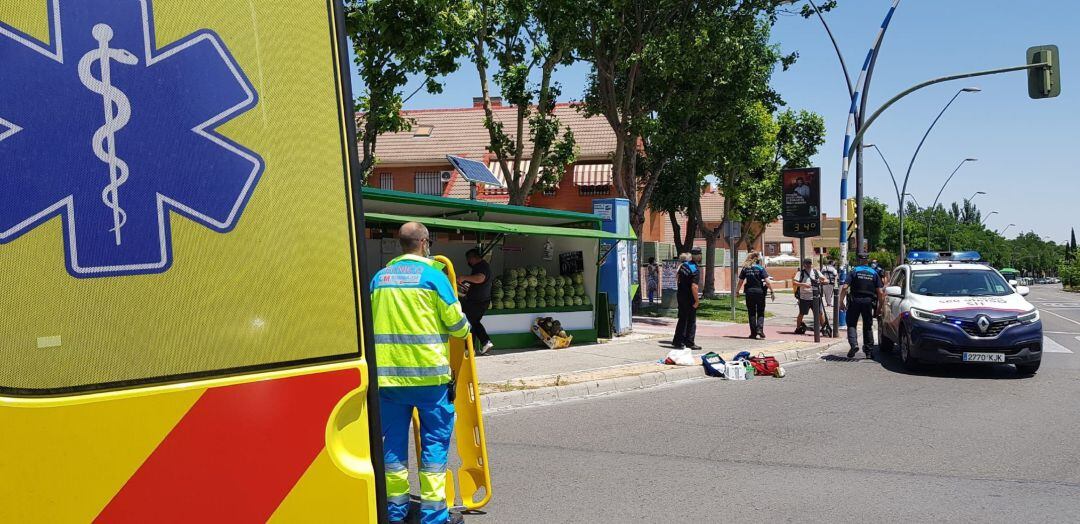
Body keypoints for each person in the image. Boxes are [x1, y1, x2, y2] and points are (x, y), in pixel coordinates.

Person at [371, 222, 471, 524]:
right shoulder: (433, 276)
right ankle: (433, 516)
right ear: (425, 243)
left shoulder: (379, 279)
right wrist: (465, 325)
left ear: (400, 244)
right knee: (434, 449)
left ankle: (395, 512)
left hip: (388, 380)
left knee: (393, 451)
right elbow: (456, 325)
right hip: (429, 380)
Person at [839, 252, 886, 359]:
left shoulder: (854, 271)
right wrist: (879, 308)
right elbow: (880, 292)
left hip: (855, 300)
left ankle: (854, 344)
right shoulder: (873, 273)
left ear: (858, 260)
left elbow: (845, 287)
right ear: (867, 260)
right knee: (867, 326)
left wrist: (841, 302)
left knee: (851, 323)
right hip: (868, 302)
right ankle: (869, 352)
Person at [458, 248, 494, 356]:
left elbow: (480, 278)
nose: (468, 262)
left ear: (472, 258)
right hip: (479, 301)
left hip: (477, 302)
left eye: (469, 260)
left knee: (470, 323)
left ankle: (471, 348)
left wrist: (464, 277)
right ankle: (485, 343)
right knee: (474, 322)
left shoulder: (482, 266)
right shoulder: (481, 266)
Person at [736, 251, 775, 339]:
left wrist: (737, 291)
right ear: (757, 259)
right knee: (760, 312)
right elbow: (768, 282)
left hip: (749, 293)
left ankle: (753, 333)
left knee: (751, 312)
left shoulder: (745, 268)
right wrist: (772, 291)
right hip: (760, 292)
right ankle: (760, 330)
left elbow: (740, 281)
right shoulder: (760, 268)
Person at [672, 251, 701, 350]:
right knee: (691, 320)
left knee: (682, 319)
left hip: (681, 295)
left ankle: (677, 341)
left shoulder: (683, 266)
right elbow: (694, 286)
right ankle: (689, 342)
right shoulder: (695, 269)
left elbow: (677, 278)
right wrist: (697, 300)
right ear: (698, 256)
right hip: (689, 297)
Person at [793, 258, 826, 334]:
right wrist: (803, 284)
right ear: (804, 264)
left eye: (809, 263)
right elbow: (794, 282)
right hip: (804, 297)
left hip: (816, 297)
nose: (808, 265)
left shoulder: (816, 272)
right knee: (802, 313)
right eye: (806, 263)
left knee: (820, 313)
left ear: (811, 264)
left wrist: (822, 282)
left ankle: (824, 329)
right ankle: (798, 328)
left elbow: (825, 279)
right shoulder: (800, 273)